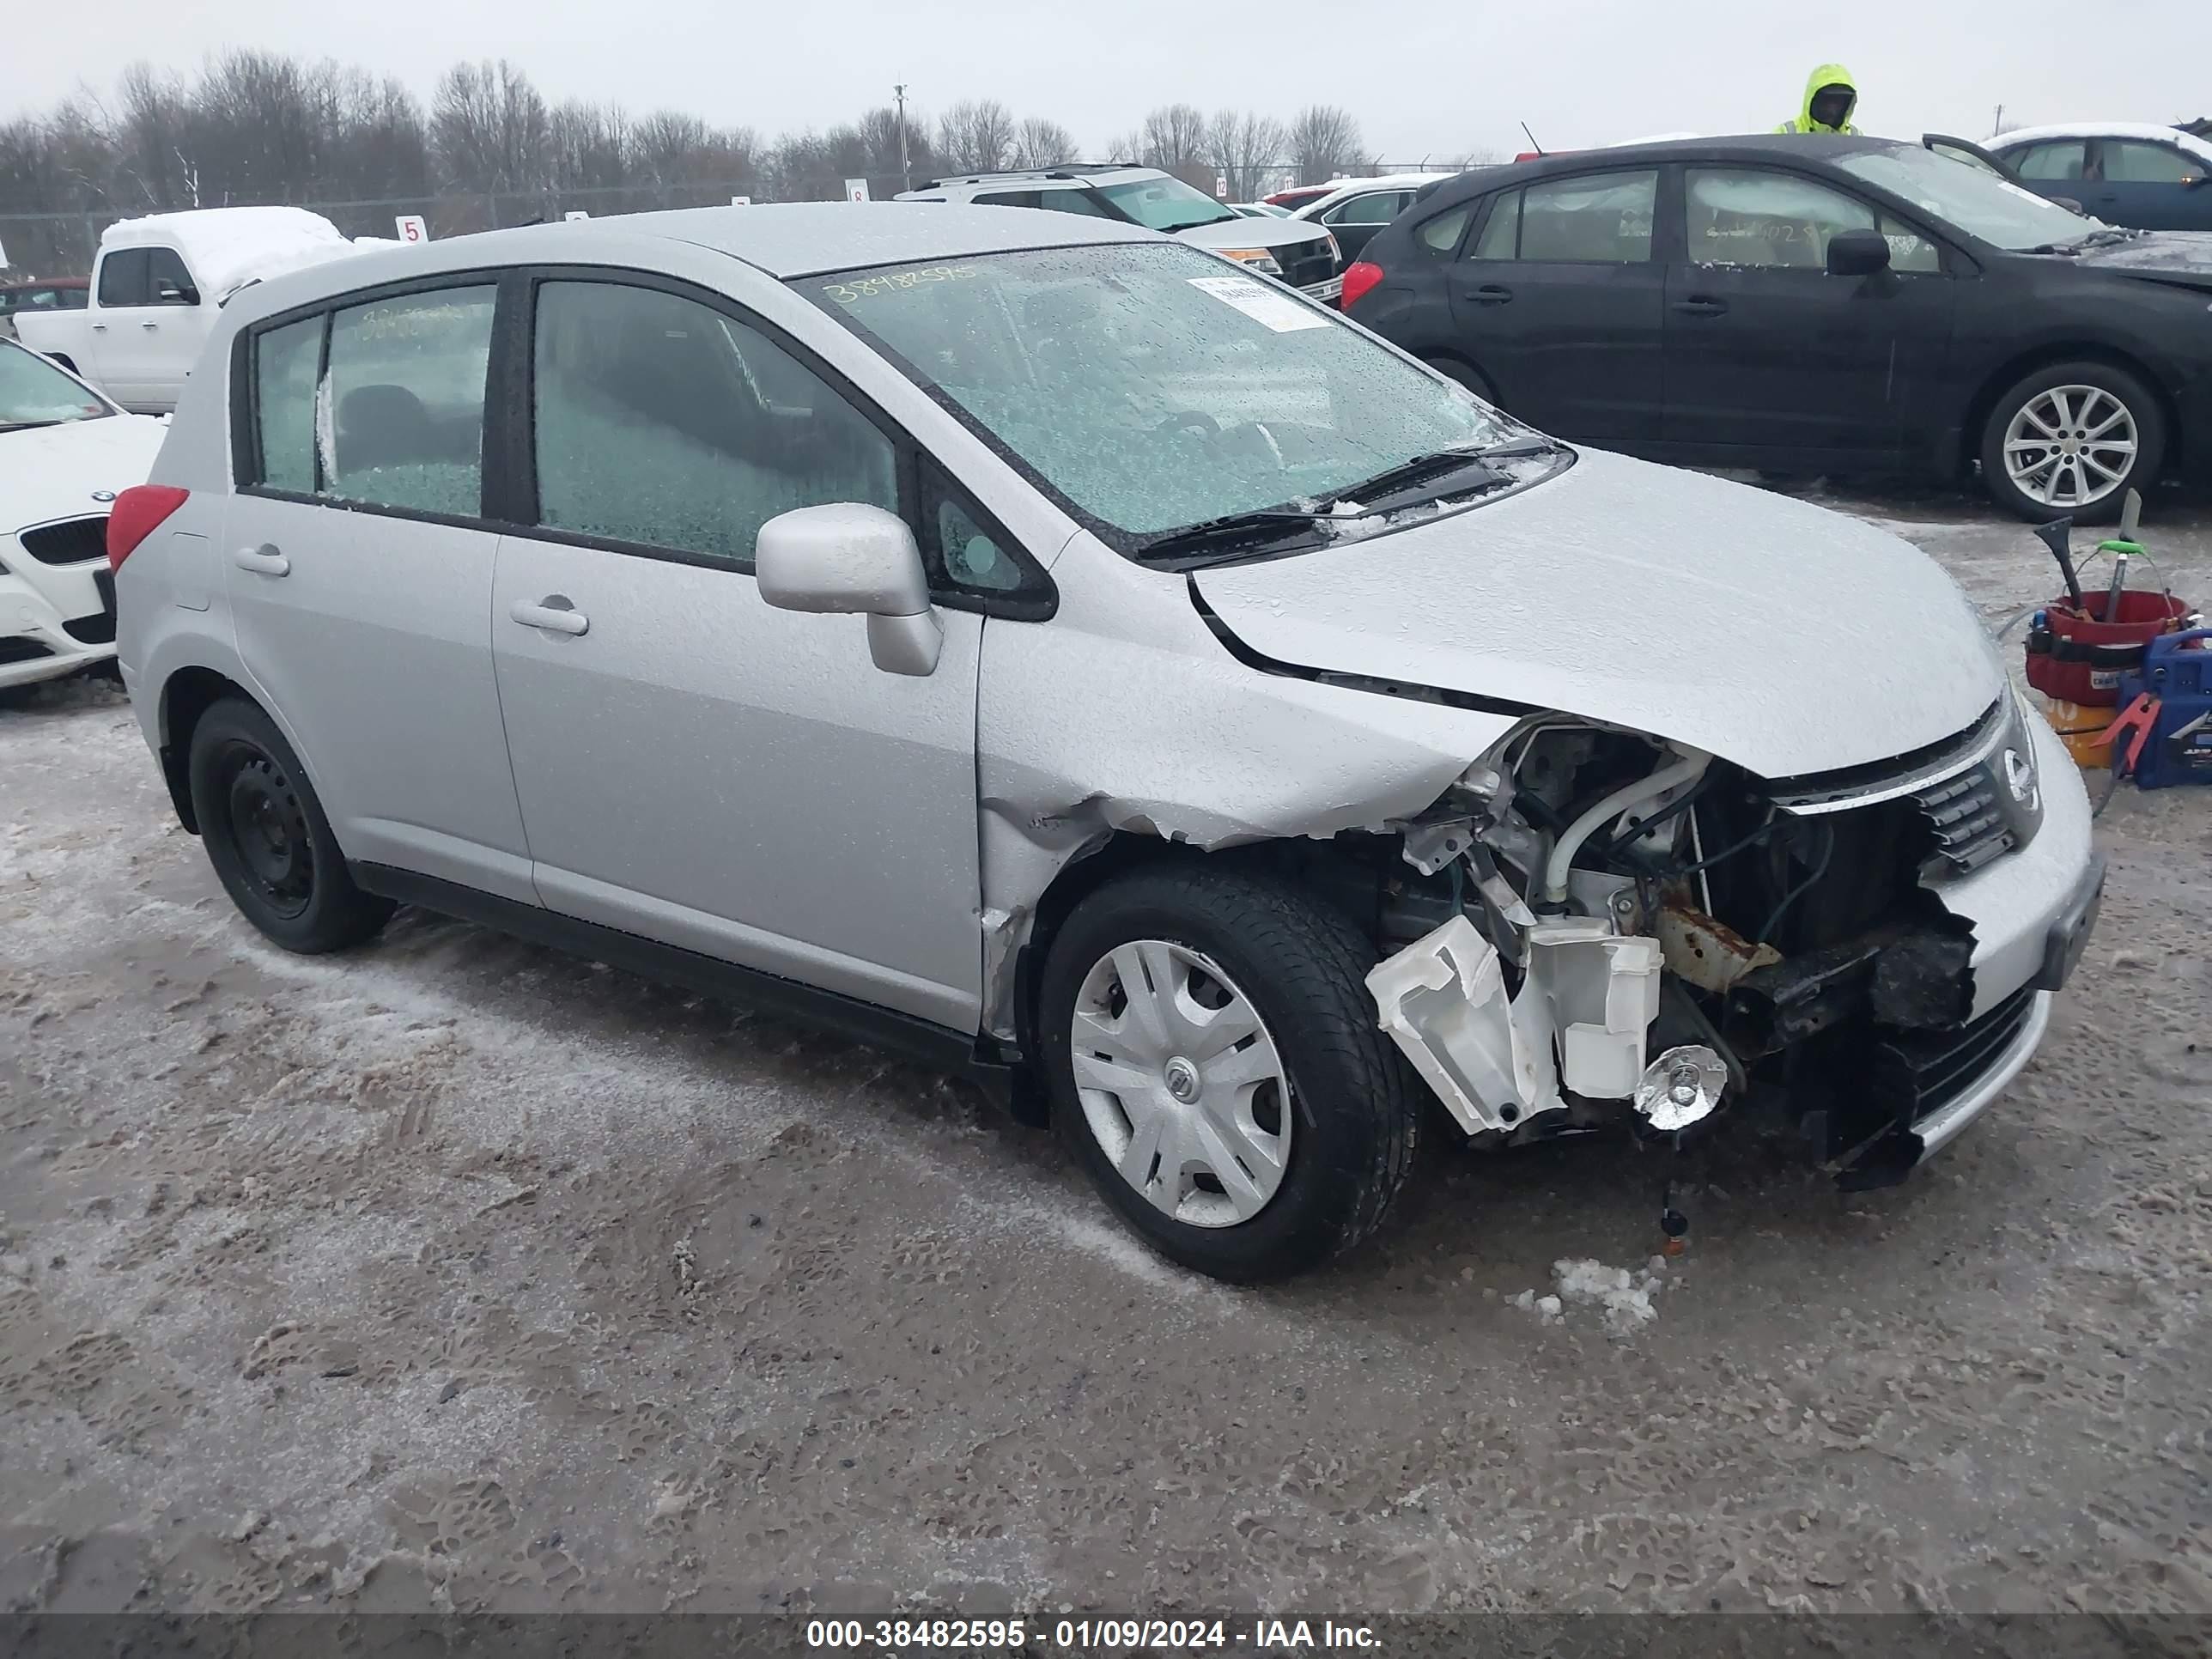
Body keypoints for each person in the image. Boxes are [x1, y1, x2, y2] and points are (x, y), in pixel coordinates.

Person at [1778, 64, 1860, 135]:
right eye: (1826, 101)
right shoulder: (1786, 133)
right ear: (1812, 100)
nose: (1831, 109)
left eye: (1838, 102)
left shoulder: (1856, 136)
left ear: (1847, 104)